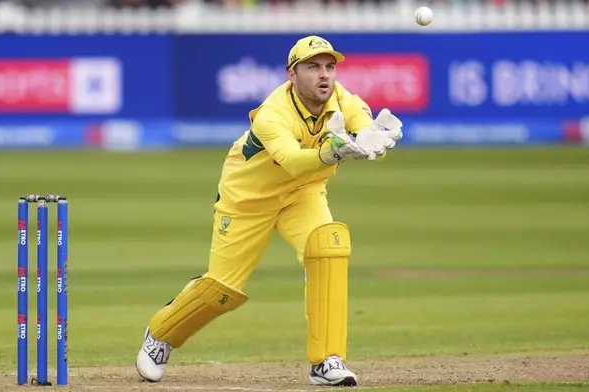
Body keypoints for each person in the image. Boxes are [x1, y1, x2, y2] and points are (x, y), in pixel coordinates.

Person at [135, 35, 403, 387]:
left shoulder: (342, 99)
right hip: (247, 199)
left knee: (328, 247)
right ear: (291, 75)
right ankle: (160, 334)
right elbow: (292, 161)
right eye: (312, 67)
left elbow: (366, 133)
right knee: (222, 290)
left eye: (329, 67)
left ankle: (327, 361)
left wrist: (371, 141)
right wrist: (334, 152)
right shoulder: (272, 113)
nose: (324, 75)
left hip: (302, 194)